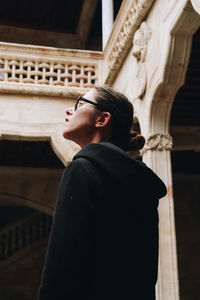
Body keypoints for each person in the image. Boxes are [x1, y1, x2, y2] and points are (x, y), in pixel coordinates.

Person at [38, 86, 167, 300]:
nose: (69, 111)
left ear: (102, 119)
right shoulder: (143, 184)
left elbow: (63, 263)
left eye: (79, 104)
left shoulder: (83, 169)